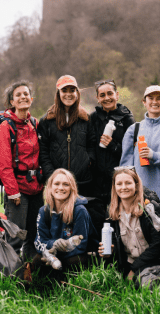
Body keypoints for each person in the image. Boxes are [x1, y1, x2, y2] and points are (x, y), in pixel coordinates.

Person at [38, 75, 100, 233]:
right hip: (58, 185)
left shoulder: (85, 118)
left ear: (77, 93)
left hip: (83, 181)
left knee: (81, 219)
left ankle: (83, 253)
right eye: (64, 90)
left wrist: (88, 162)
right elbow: (43, 152)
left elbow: (92, 145)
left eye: (72, 90)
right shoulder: (47, 121)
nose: (68, 94)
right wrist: (51, 177)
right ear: (58, 93)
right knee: (59, 222)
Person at [0, 80, 44, 260]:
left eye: (26, 94)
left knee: (34, 234)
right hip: (17, 190)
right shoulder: (5, 127)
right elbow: (4, 164)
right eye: (18, 95)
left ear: (31, 99)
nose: (23, 97)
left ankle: (29, 273)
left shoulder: (35, 123)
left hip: (36, 188)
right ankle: (10, 276)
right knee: (15, 236)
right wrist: (13, 192)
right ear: (12, 102)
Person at [120, 85, 160, 204]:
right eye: (150, 98)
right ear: (144, 102)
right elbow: (125, 168)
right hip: (139, 197)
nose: (155, 102)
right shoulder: (133, 130)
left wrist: (154, 156)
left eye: (159, 98)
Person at [99, 168, 160, 280]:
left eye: (128, 183)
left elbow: (158, 244)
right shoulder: (111, 211)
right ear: (114, 187)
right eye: (119, 184)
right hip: (128, 262)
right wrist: (108, 253)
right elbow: (114, 244)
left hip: (154, 261)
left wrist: (134, 269)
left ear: (136, 185)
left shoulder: (149, 207)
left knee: (143, 282)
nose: (123, 187)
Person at [33, 169, 93, 278]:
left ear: (71, 188)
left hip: (75, 254)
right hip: (53, 253)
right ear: (50, 188)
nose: (60, 188)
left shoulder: (80, 210)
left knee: (75, 262)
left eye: (66, 184)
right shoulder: (44, 211)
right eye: (56, 184)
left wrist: (61, 250)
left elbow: (82, 245)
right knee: (37, 260)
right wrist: (54, 245)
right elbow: (39, 242)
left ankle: (65, 285)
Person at [89, 79, 135, 206]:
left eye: (110, 93)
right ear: (97, 98)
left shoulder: (127, 119)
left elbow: (132, 152)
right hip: (96, 182)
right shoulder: (93, 118)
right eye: (102, 95)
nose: (107, 98)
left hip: (119, 182)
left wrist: (113, 145)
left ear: (117, 95)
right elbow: (89, 144)